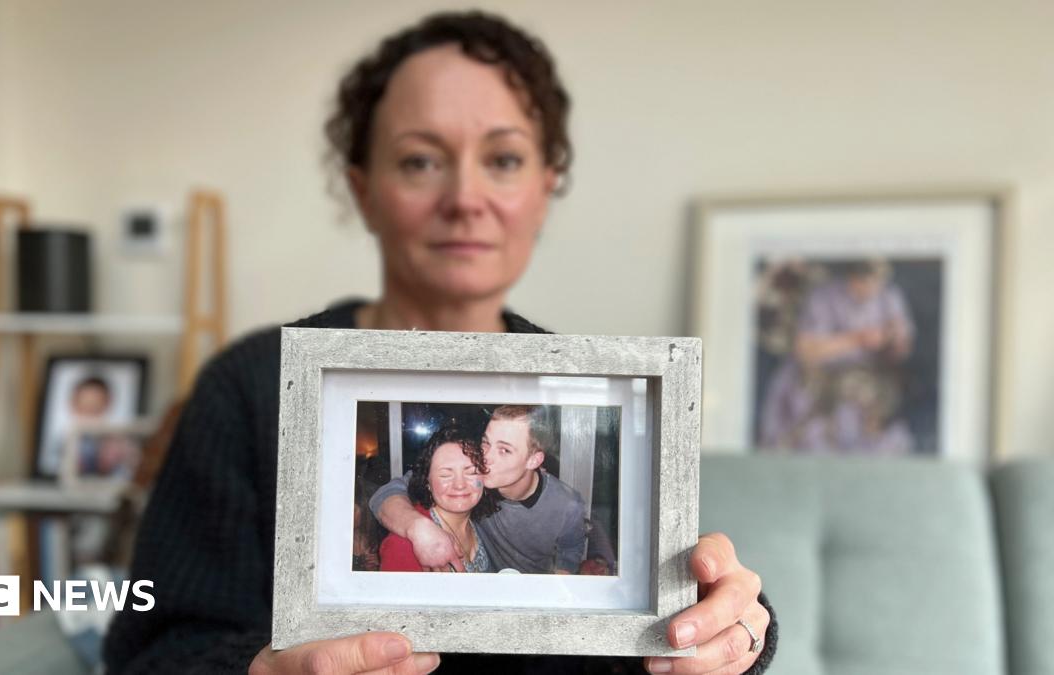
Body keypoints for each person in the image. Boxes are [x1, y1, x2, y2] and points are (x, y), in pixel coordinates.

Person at [104, 10, 775, 675]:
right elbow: (154, 651)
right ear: (363, 190)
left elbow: (660, 607)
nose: (465, 196)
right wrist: (259, 671)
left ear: (545, 189)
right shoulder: (252, 386)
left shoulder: (611, 392)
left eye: (504, 159)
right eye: (421, 160)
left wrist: (734, 630)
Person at [372, 405, 588, 575]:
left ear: (534, 460)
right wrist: (417, 528)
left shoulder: (567, 504)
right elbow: (387, 494)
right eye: (486, 443)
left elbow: (571, 549)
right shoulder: (476, 476)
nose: (486, 457)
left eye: (504, 450)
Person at [759, 259, 916, 453]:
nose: (871, 288)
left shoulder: (889, 295)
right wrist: (858, 339)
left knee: (881, 412)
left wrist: (893, 339)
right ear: (853, 277)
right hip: (820, 371)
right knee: (812, 415)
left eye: (877, 280)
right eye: (865, 279)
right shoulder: (824, 296)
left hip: (868, 374)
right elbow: (805, 351)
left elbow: (902, 350)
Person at [378, 425, 496, 573]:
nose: (459, 485)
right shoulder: (404, 546)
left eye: (471, 472)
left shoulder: (485, 524)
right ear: (427, 482)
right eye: (445, 475)